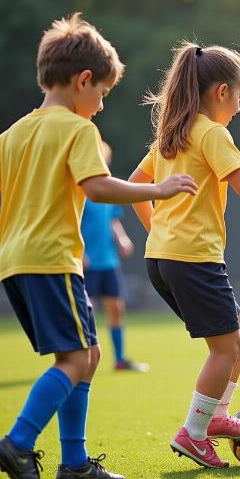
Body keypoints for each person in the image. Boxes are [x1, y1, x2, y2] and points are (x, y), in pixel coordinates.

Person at [0, 13, 197, 479]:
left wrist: (6, 243)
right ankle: (18, 442)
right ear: (83, 80)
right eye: (101, 95)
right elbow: (97, 188)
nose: (98, 107)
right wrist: (160, 188)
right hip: (52, 260)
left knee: (86, 355)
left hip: (15, 264)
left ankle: (74, 462)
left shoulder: (11, 134)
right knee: (75, 361)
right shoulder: (77, 131)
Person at [129, 42, 240, 468]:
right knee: (224, 348)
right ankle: (193, 432)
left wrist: (159, 232)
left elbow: (136, 185)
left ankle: (216, 417)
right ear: (222, 92)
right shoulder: (211, 133)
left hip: (163, 260)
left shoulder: (173, 134)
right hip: (193, 259)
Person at [81, 141, 149, 372]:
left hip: (109, 262)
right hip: (86, 263)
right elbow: (69, 223)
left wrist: (121, 238)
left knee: (116, 309)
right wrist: (79, 252)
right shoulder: (81, 192)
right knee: (84, 314)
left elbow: (113, 220)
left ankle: (120, 359)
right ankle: (80, 359)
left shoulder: (106, 193)